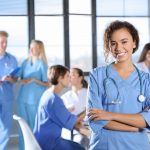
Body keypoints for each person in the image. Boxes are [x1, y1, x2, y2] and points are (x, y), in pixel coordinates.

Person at [87, 20, 150, 150]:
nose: (118, 48)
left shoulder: (146, 80)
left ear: (134, 43)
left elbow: (148, 119)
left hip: (136, 146)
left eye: (124, 42)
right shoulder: (97, 75)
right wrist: (133, 127)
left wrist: (110, 115)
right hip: (104, 145)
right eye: (113, 43)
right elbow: (95, 118)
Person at [33, 65, 85, 150]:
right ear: (60, 78)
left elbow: (59, 115)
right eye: (68, 76)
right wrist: (87, 111)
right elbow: (69, 122)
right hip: (50, 142)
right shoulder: (54, 99)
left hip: (42, 139)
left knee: (77, 146)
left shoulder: (48, 94)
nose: (70, 78)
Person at [17, 40, 49, 150]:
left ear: (39, 49)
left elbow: (47, 83)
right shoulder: (25, 63)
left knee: (34, 127)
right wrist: (21, 80)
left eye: (34, 47)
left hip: (35, 100)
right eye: (30, 47)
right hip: (22, 98)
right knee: (22, 126)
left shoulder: (42, 64)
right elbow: (19, 78)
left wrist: (34, 80)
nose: (31, 50)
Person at [61, 68, 89, 149]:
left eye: (72, 75)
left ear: (80, 78)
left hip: (88, 127)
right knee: (79, 141)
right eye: (68, 75)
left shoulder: (89, 93)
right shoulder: (65, 97)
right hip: (73, 129)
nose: (69, 77)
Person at [0, 31, 18, 150]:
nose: (4, 44)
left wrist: (10, 78)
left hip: (6, 97)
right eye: (2, 42)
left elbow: (15, 79)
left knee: (6, 128)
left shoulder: (12, 59)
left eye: (6, 42)